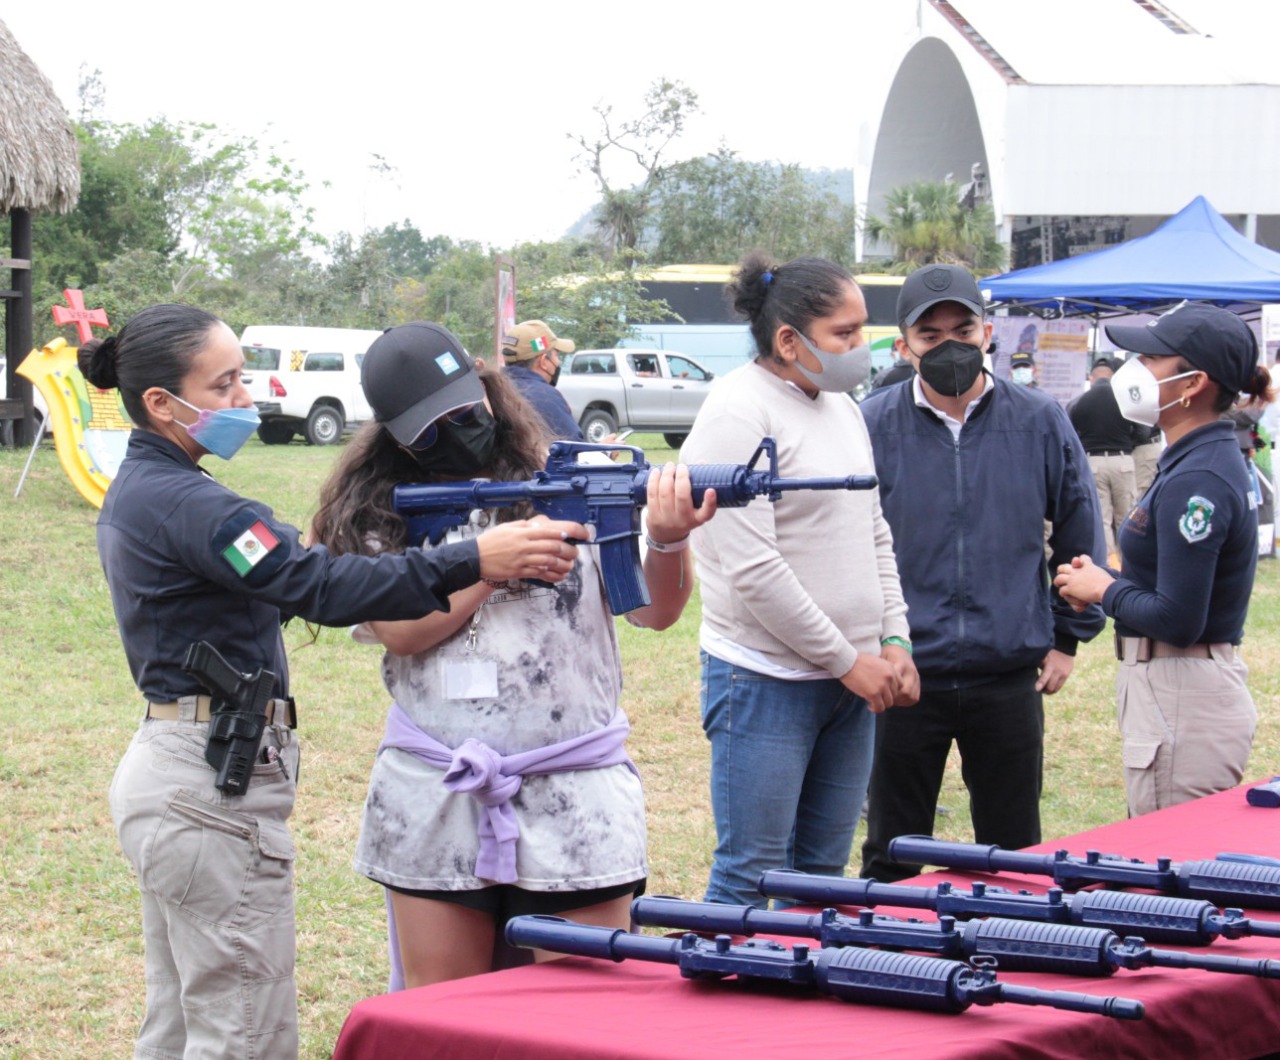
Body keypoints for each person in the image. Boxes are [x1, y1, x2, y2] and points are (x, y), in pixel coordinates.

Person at [85, 305, 584, 1058]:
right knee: (241, 1031)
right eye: (223, 386)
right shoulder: (192, 504)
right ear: (161, 403)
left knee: (185, 1021)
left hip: (182, 768)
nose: (245, 399)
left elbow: (281, 575)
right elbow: (314, 586)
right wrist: (472, 559)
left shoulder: (153, 492)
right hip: (207, 783)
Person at [310, 321, 715, 986]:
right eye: (428, 427)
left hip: (574, 795)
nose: (455, 433)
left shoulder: (573, 478)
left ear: (488, 390)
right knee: (448, 1026)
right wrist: (489, 565)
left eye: (463, 412)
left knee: (574, 1029)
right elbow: (402, 631)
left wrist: (669, 540)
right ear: (393, 433)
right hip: (439, 796)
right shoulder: (378, 512)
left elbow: (655, 611)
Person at [680, 253, 918, 909]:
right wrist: (848, 662)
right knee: (751, 875)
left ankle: (803, 1002)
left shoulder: (842, 408)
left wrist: (895, 637)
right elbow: (754, 570)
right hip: (766, 680)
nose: (860, 347)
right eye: (845, 333)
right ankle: (729, 1007)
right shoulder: (737, 413)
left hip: (851, 681)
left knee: (821, 876)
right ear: (790, 341)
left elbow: (874, 525)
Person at [858, 264, 1106, 883]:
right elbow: (844, 542)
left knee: (1015, 852)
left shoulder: (1040, 419)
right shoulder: (869, 425)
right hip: (903, 674)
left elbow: (1078, 533)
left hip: (1008, 674)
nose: (949, 345)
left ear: (988, 332)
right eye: (931, 333)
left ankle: (1015, 964)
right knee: (893, 850)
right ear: (904, 343)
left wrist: (1066, 636)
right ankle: (892, 969)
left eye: (962, 328)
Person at [1055, 301, 1273, 816]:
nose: (1135, 369)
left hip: (1183, 691)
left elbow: (1178, 618)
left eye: (1151, 358)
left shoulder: (1199, 477)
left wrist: (1104, 590)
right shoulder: (1197, 459)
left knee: (1169, 878)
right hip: (1178, 689)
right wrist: (1109, 578)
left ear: (1193, 383)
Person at [1069, 357, 1144, 563]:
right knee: (1127, 515)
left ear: (1091, 378)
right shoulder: (1123, 400)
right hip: (1122, 461)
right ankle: (1129, 562)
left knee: (1101, 518)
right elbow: (1143, 431)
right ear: (1113, 378)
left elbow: (1069, 433)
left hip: (1092, 462)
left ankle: (1109, 563)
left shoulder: (1080, 401)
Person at [500, 319, 584, 440]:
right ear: (544, 361)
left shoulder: (492, 389)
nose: (558, 362)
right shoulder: (545, 397)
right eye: (556, 355)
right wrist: (603, 452)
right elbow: (574, 449)